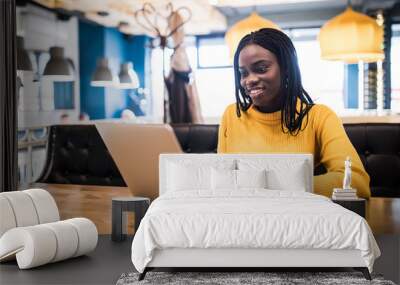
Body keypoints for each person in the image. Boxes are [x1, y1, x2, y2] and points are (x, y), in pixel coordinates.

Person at [217, 28, 370, 199]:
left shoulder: (318, 117)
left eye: (261, 68)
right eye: (243, 73)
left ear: (286, 69)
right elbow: (223, 183)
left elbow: (356, 182)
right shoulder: (232, 115)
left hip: (298, 220)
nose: (249, 80)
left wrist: (271, 189)